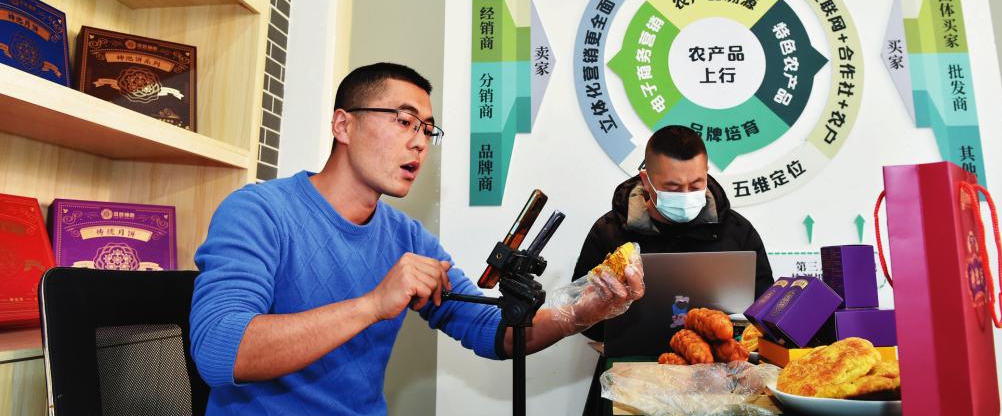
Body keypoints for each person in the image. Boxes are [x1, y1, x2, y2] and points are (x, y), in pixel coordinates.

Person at [189, 62, 644, 415]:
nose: (420, 142)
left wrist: (582, 312)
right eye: (404, 121)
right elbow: (217, 351)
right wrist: (373, 304)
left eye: (428, 129)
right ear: (343, 125)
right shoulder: (259, 212)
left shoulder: (407, 238)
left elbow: (493, 332)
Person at [572, 124, 773, 415]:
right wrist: (605, 303)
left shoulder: (737, 232)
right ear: (646, 180)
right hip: (631, 376)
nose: (686, 195)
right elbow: (580, 319)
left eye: (696, 184)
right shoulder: (610, 233)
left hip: (718, 381)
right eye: (673, 188)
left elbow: (765, 312)